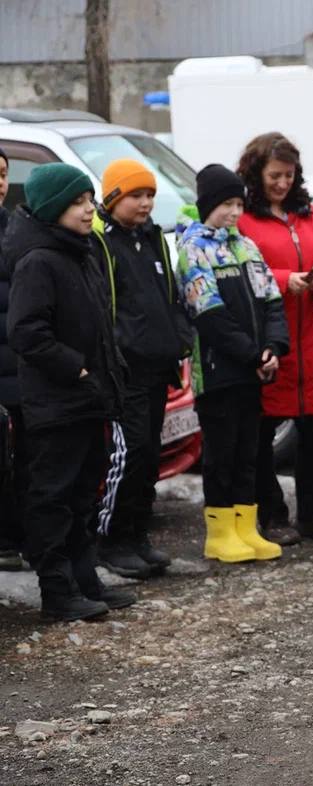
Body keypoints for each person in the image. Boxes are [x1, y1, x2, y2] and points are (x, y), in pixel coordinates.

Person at [6, 163, 134, 620]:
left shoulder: (81, 253)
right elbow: (27, 332)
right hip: (57, 404)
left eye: (88, 200)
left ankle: (85, 581)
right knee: (53, 498)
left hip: (89, 401)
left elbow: (99, 327)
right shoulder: (38, 260)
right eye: (78, 202)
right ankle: (56, 592)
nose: (89, 210)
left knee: (85, 496)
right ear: (54, 207)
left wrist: (108, 373)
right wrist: (76, 369)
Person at [175, 164, 290, 563]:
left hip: (252, 370)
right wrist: (250, 353)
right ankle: (219, 532)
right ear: (208, 205)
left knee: (249, 450)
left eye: (239, 203)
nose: (234, 212)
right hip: (219, 371)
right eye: (227, 203)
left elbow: (272, 299)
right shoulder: (193, 249)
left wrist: (274, 346)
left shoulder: (246, 245)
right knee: (221, 452)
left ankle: (246, 527)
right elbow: (209, 314)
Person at [237, 133, 313, 544]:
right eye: (274, 175)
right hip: (270, 339)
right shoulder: (244, 219)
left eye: (289, 175)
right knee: (264, 436)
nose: (283, 183)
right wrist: (286, 280)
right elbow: (246, 273)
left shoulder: (310, 214)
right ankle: (273, 514)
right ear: (256, 174)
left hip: (311, 339)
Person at [90, 159, 192, 579]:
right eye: (136, 195)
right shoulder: (102, 244)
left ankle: (137, 533)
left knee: (149, 455)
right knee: (127, 454)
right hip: (125, 370)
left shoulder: (151, 239)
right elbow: (104, 307)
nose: (146, 203)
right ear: (114, 198)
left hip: (155, 366)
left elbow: (167, 294)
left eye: (150, 194)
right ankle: (110, 538)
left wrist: (179, 336)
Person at [0, 145, 27, 572]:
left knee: (22, 457)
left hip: (19, 367)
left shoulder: (15, 227)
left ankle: (14, 537)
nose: (0, 183)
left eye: (3, 174)